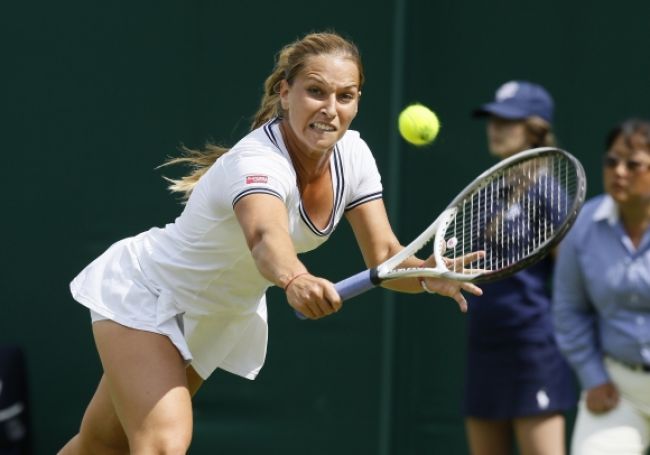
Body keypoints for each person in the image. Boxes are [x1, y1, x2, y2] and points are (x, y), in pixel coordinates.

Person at [58, 32, 482, 454]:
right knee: (164, 444)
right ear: (285, 92)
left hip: (215, 318)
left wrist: (427, 275)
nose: (330, 110)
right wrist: (295, 277)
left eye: (346, 96)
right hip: (148, 294)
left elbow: (387, 257)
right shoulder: (257, 161)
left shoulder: (353, 155)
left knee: (100, 445)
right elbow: (265, 236)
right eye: (315, 92)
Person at [463, 81, 577, 455]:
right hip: (484, 342)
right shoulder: (485, 191)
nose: (495, 128)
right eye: (492, 119)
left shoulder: (550, 191)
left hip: (532, 348)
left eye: (507, 121)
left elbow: (571, 278)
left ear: (535, 129)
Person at [553, 118, 650, 455]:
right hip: (619, 391)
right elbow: (569, 309)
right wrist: (592, 376)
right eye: (611, 162)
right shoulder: (583, 225)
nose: (619, 171)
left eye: (633, 164)